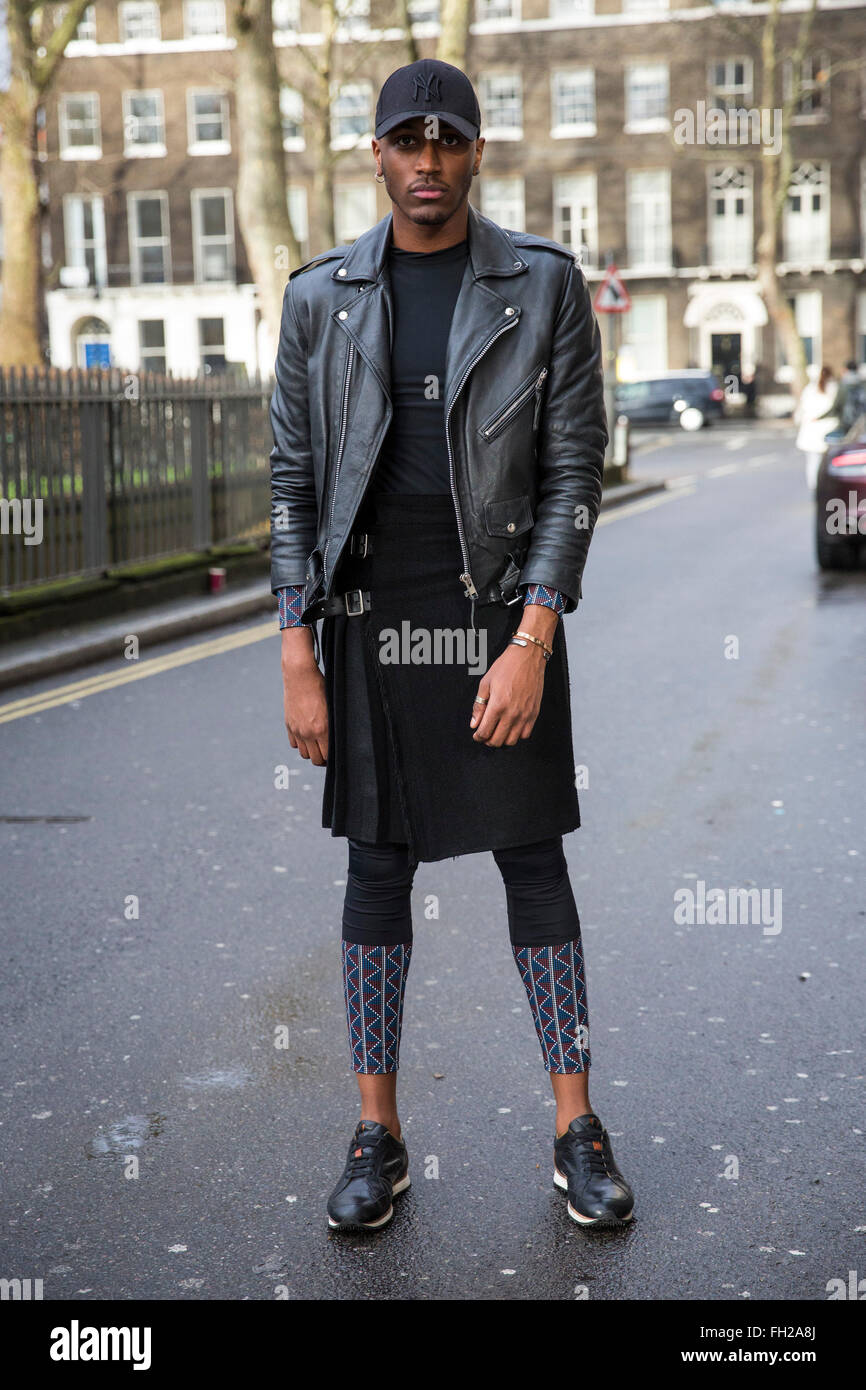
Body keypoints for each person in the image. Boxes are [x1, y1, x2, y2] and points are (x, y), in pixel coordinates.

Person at [269, 59, 634, 1234]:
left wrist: (532, 635)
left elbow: (574, 474)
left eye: (448, 142)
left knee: (534, 864)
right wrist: (294, 649)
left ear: (477, 154)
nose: (426, 163)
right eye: (405, 142)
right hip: (370, 619)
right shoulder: (319, 297)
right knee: (375, 873)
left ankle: (575, 1127)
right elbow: (291, 482)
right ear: (373, 154)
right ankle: (377, 1133)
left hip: (496, 611)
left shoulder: (541, 285)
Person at [794, 365, 838, 490]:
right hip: (829, 431)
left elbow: (802, 410)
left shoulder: (809, 390)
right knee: (829, 462)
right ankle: (827, 487)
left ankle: (815, 488)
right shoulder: (833, 389)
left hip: (811, 431)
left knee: (813, 462)